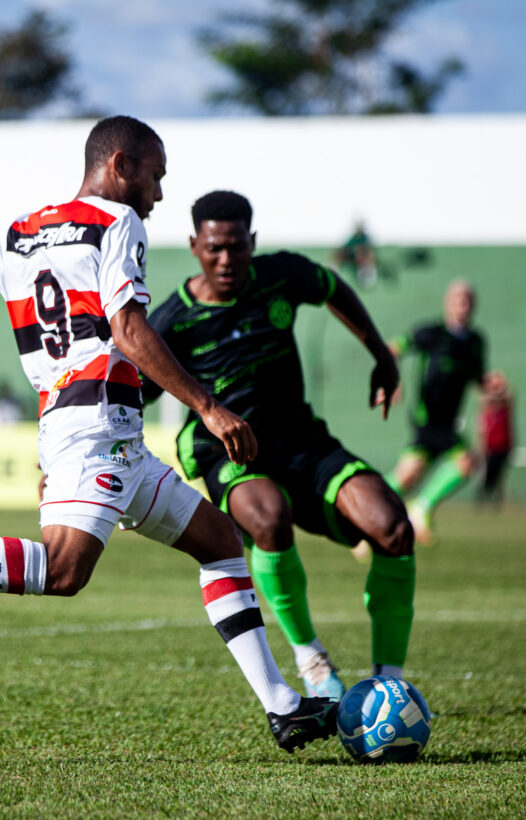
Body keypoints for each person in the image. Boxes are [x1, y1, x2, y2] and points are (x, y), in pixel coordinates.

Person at [0, 116, 337, 753]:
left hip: (100, 431)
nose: (159, 195)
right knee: (63, 571)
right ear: (119, 165)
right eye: (155, 176)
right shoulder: (118, 224)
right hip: (92, 426)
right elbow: (130, 331)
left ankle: (283, 707)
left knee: (222, 541)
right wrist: (208, 407)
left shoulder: (16, 231)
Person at [143, 190, 415, 702]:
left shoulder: (282, 275)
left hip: (302, 440)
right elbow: (132, 395)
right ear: (194, 245)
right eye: (214, 247)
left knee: (394, 530)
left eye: (237, 246)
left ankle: (389, 684)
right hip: (227, 450)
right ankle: (310, 658)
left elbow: (333, 287)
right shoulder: (172, 322)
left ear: (253, 242)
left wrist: (380, 352)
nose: (226, 260)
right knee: (268, 521)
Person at [383, 280, 487, 545]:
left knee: (407, 475)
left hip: (449, 423)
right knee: (464, 461)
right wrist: (391, 379)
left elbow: (478, 379)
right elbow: (392, 348)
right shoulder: (431, 333)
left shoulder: (476, 342)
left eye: (467, 299)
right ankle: (418, 508)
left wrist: (492, 385)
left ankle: (369, 511)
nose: (462, 304)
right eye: (457, 298)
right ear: (447, 302)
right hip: (427, 420)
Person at [476, 370, 514, 507]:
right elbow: (484, 397)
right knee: (488, 475)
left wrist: (501, 381)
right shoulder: (486, 408)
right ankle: (482, 499)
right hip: (490, 446)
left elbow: (509, 396)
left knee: (499, 476)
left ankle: (497, 501)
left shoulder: (506, 406)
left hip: (504, 445)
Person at [333, 221, 378, 289]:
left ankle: (366, 275)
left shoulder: (365, 238)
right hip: (352, 256)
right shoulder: (353, 238)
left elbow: (369, 249)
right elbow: (347, 247)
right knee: (340, 253)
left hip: (363, 257)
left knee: (360, 253)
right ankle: (334, 270)